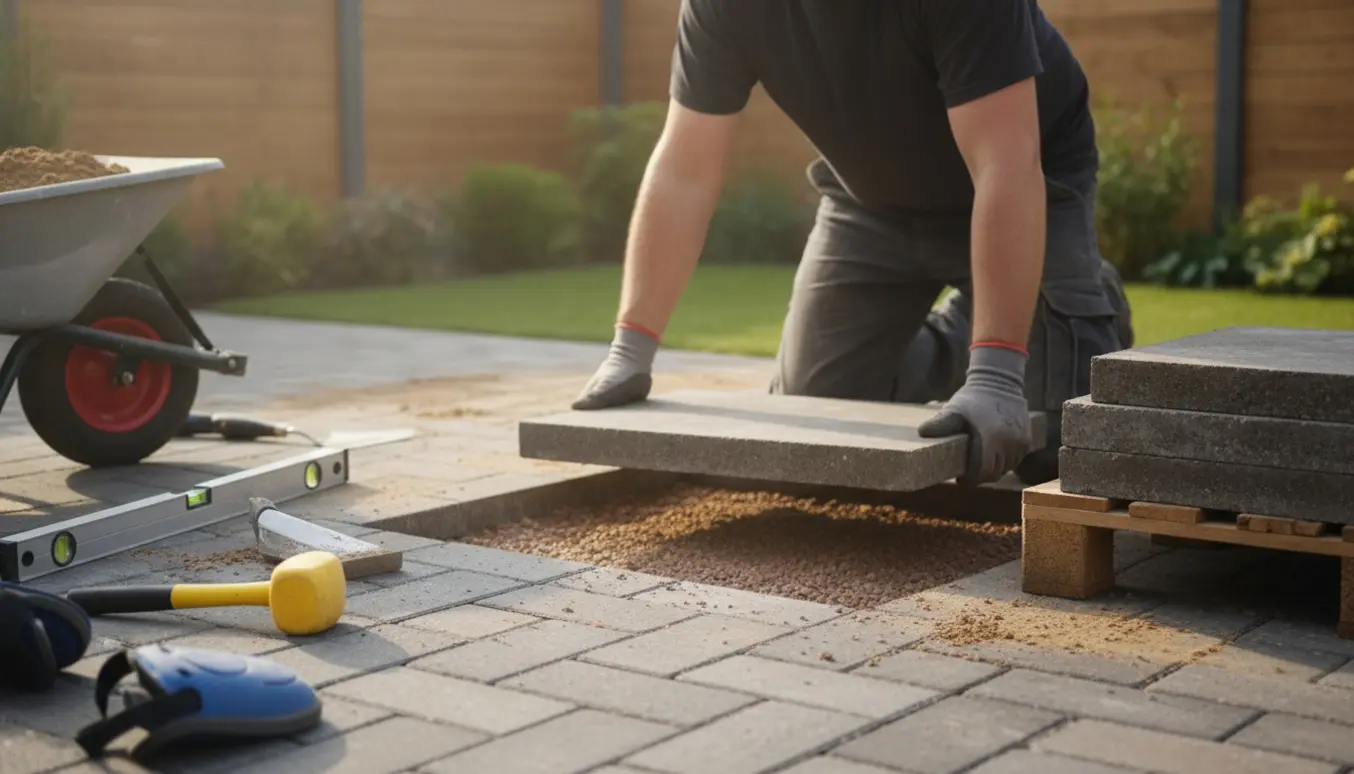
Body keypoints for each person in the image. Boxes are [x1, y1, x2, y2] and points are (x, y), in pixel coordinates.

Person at [572, 0, 1134, 487]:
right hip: (871, 200)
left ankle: (1079, 304)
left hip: (1028, 180)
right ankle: (978, 324)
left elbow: (1005, 163)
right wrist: (632, 349)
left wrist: (996, 374)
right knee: (813, 412)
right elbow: (684, 168)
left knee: (1051, 446)